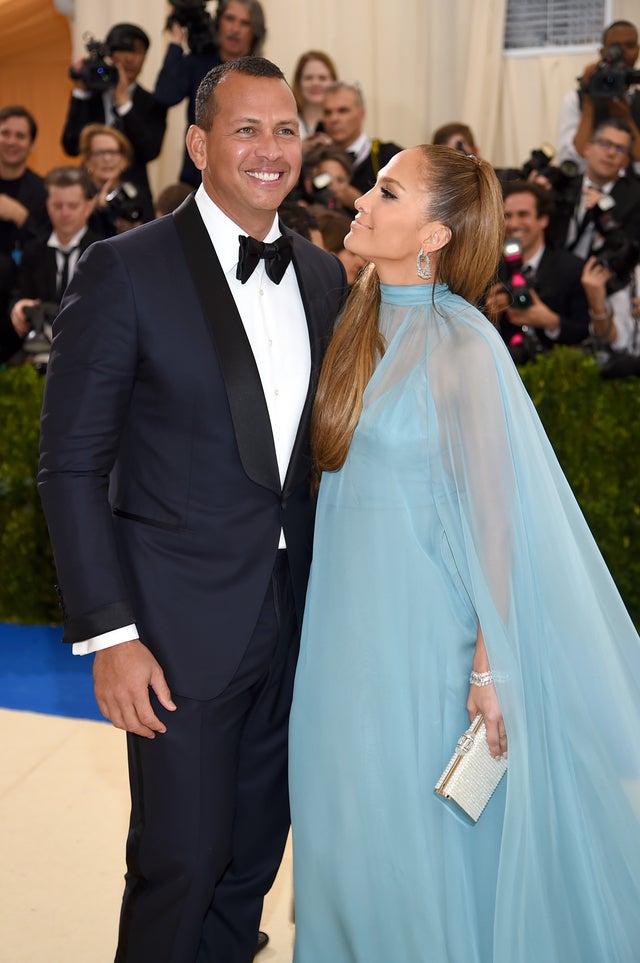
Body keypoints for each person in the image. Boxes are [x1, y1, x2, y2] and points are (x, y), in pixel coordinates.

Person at [288, 144, 640, 962]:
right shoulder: (350, 319)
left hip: (425, 646)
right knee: (343, 827)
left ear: (435, 233)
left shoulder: (464, 344)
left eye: (388, 191)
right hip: (338, 642)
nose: (363, 199)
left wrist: (489, 667)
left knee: (420, 846)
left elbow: (497, 517)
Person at [38, 56, 347, 963]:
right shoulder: (122, 269)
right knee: (180, 861)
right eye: (246, 129)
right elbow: (69, 467)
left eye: (285, 129)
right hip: (174, 635)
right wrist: (110, 635)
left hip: (301, 628)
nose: (269, 149)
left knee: (253, 861)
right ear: (201, 143)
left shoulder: (324, 278)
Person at [61, 23, 167, 221]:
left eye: (136, 51)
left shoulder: (153, 103)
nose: (129, 58)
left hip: (134, 199)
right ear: (109, 54)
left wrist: (124, 104)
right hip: (88, 198)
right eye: (123, 50)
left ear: (145, 57)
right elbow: (70, 145)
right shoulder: (90, 94)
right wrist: (81, 91)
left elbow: (150, 150)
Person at [154, 0, 266, 186]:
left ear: (255, 32)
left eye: (244, 23)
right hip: (196, 177)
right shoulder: (198, 62)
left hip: (244, 179)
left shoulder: (261, 74)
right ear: (218, 23)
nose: (235, 29)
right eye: (229, 19)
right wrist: (175, 43)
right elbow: (164, 95)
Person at [0, 166, 99, 364]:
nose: (64, 213)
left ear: (87, 208)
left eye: (72, 206)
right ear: (47, 206)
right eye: (57, 205)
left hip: (90, 353)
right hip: (39, 352)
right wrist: (19, 307)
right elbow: (19, 294)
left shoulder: (103, 251)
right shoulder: (33, 251)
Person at [485, 180, 589, 354]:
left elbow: (584, 331)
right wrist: (490, 315)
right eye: (507, 216)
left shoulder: (572, 268)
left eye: (523, 214)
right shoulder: (489, 269)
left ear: (543, 220)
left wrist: (551, 322)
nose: (514, 224)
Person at [557, 19, 640, 174]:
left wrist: (625, 117)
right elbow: (571, 163)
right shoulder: (575, 100)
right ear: (603, 52)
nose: (622, 54)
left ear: (637, 50)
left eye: (629, 46)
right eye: (615, 47)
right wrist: (589, 96)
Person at [551, 119, 640, 259]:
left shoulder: (634, 197)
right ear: (587, 149)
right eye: (604, 144)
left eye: (619, 149)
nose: (611, 153)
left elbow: (630, 247)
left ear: (626, 161)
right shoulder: (564, 185)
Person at [0, 105, 49, 325]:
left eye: (20, 136)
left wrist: (23, 218)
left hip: (20, 300)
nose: (11, 141)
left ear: (32, 145)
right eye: (5, 133)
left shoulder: (43, 191)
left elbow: (48, 246)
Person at [321, 81, 402, 209]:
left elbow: (405, 209)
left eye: (343, 111)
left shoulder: (390, 157)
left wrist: (357, 200)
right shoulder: (314, 158)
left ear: (362, 113)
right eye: (328, 113)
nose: (334, 119)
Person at [78, 124, 144, 237]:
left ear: (124, 159)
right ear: (88, 160)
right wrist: (94, 208)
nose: (107, 159)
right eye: (99, 153)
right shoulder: (78, 195)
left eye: (112, 152)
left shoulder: (135, 195)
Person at [290, 50, 338, 155]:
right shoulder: (286, 121)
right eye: (308, 78)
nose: (315, 83)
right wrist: (299, 151)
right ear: (298, 82)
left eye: (322, 78)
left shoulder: (342, 122)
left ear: (334, 82)